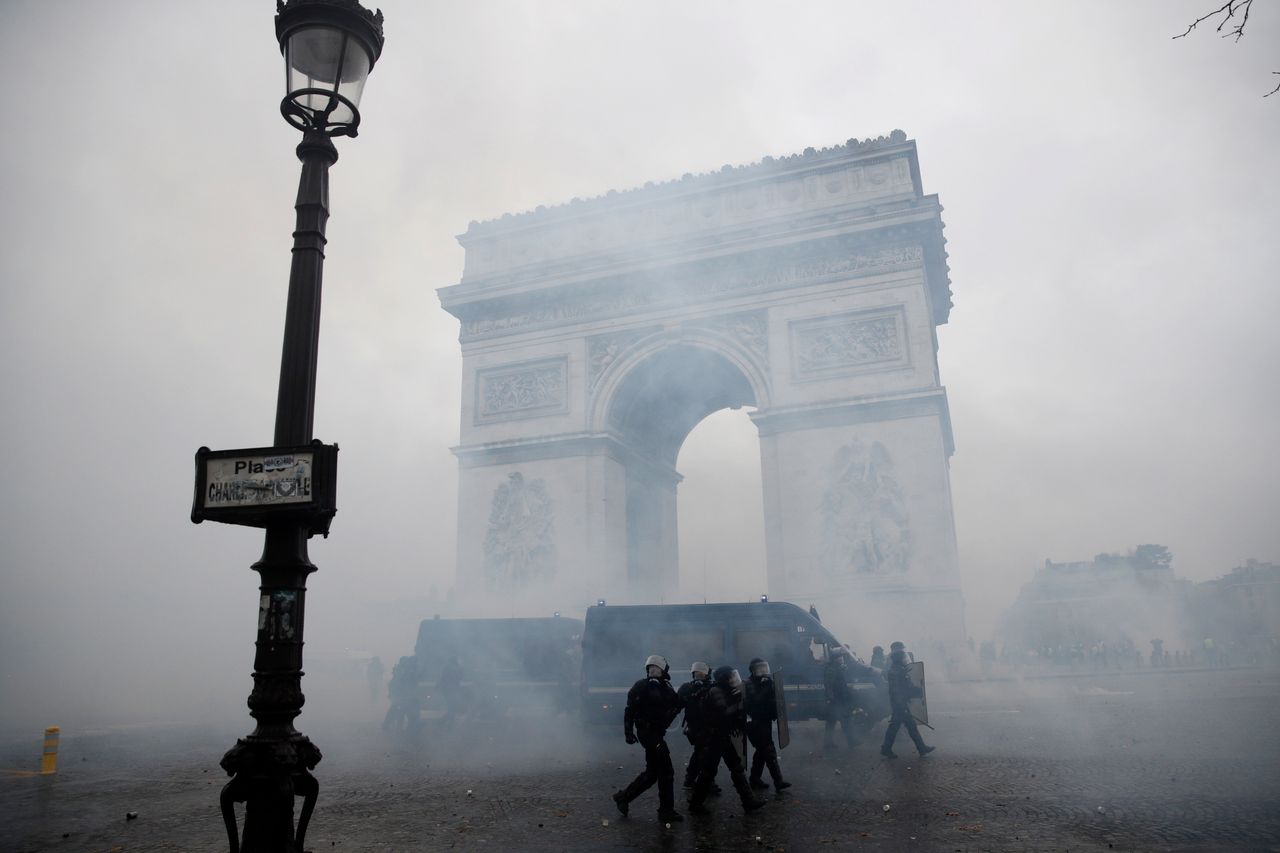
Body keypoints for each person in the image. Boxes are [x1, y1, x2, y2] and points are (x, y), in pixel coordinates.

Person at [613, 655, 684, 823]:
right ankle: (666, 811)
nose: (653, 670)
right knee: (666, 771)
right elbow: (629, 710)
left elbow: (676, 704)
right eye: (650, 668)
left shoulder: (666, 687)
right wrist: (628, 732)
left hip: (657, 733)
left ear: (663, 671)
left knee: (653, 773)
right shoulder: (641, 686)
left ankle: (624, 797)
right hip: (648, 734)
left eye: (656, 668)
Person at [688, 666, 767, 816]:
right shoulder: (716, 691)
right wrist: (740, 702)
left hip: (720, 736)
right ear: (724, 679)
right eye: (730, 677)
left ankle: (748, 801)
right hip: (712, 738)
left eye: (734, 676)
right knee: (709, 772)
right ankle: (695, 804)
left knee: (735, 767)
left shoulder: (725, 690)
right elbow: (724, 713)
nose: (734, 679)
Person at [880, 642, 935, 759]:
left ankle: (920, 748)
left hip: (899, 704)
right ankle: (920, 748)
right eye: (903, 657)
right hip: (900, 705)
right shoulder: (897, 671)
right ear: (899, 659)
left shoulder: (897, 669)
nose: (905, 659)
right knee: (899, 727)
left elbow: (903, 688)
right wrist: (916, 692)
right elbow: (900, 690)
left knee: (906, 727)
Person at [744, 658, 790, 791]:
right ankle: (778, 781)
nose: (764, 671)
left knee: (761, 752)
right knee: (769, 750)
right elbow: (757, 700)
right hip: (754, 723)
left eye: (765, 668)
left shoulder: (767, 683)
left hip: (766, 721)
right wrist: (766, 686)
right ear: (753, 671)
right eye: (760, 668)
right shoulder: (747, 684)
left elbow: (774, 701)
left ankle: (754, 779)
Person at [677, 662, 718, 792]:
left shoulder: (712, 688)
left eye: (701, 674)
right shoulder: (687, 688)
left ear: (707, 676)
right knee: (703, 754)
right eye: (696, 674)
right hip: (695, 727)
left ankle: (691, 780)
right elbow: (677, 704)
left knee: (702, 754)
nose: (698, 677)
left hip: (709, 727)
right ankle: (704, 782)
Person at [823, 647, 857, 750]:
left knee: (831, 722)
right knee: (845, 720)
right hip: (837, 700)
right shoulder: (832, 669)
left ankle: (828, 743)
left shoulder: (837, 668)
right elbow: (828, 685)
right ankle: (852, 741)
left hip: (838, 698)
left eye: (842, 657)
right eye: (839, 657)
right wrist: (831, 698)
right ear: (834, 659)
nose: (842, 658)